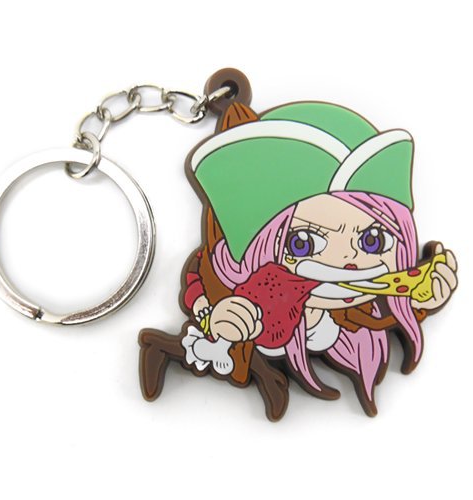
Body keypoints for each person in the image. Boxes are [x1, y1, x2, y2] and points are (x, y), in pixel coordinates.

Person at [139, 101, 457, 421]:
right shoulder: (236, 281)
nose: (347, 261)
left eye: (372, 240)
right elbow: (200, 277)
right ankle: (163, 350)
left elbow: (382, 312)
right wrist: (211, 315)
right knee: (223, 353)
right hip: (240, 341)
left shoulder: (357, 307)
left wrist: (421, 301)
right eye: (304, 243)